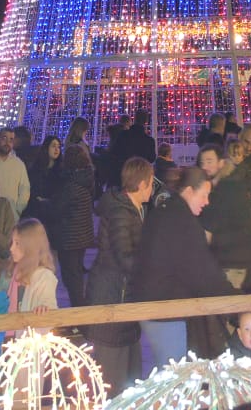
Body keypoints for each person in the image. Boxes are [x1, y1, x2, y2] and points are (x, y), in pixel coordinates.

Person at [130, 166, 232, 369]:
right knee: (175, 373)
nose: (206, 202)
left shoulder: (166, 211)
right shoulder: (181, 220)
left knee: (171, 369)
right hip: (166, 310)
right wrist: (231, 296)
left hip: (155, 306)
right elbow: (201, 269)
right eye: (203, 195)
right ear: (189, 191)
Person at [87, 156, 154, 395]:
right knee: (112, 375)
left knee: (127, 371)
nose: (153, 188)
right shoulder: (121, 212)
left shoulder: (132, 209)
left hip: (121, 298)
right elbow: (125, 257)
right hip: (112, 297)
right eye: (151, 182)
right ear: (142, 184)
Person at [199, 145, 251, 291]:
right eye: (202, 162)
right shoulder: (234, 183)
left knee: (230, 302)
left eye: (209, 161)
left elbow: (206, 234)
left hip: (233, 264)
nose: (205, 166)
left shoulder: (220, 191)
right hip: (249, 261)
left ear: (221, 163)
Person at [53, 141, 96, 307]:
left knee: (71, 277)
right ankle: (80, 306)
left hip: (70, 237)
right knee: (76, 273)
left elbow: (58, 208)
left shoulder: (71, 185)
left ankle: (78, 310)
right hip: (83, 234)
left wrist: (44, 203)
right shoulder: (86, 179)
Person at [6, 219, 59, 330]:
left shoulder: (44, 277)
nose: (11, 248)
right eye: (12, 243)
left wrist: (44, 308)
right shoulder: (14, 272)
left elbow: (48, 303)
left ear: (30, 246)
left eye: (17, 243)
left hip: (30, 338)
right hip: (10, 333)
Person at [0, 128, 30, 222]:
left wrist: (17, 210)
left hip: (11, 217)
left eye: (11, 140)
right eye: (4, 138)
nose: (7, 143)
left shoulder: (19, 164)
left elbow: (25, 189)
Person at [109, 109, 156, 185]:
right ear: (146, 121)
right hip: (139, 177)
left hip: (122, 174)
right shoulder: (149, 141)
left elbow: (115, 152)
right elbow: (151, 158)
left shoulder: (123, 135)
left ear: (135, 118)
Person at [28, 134, 63, 228]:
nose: (57, 149)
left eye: (59, 147)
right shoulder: (36, 169)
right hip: (36, 212)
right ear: (46, 148)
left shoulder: (61, 171)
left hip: (53, 215)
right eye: (53, 146)